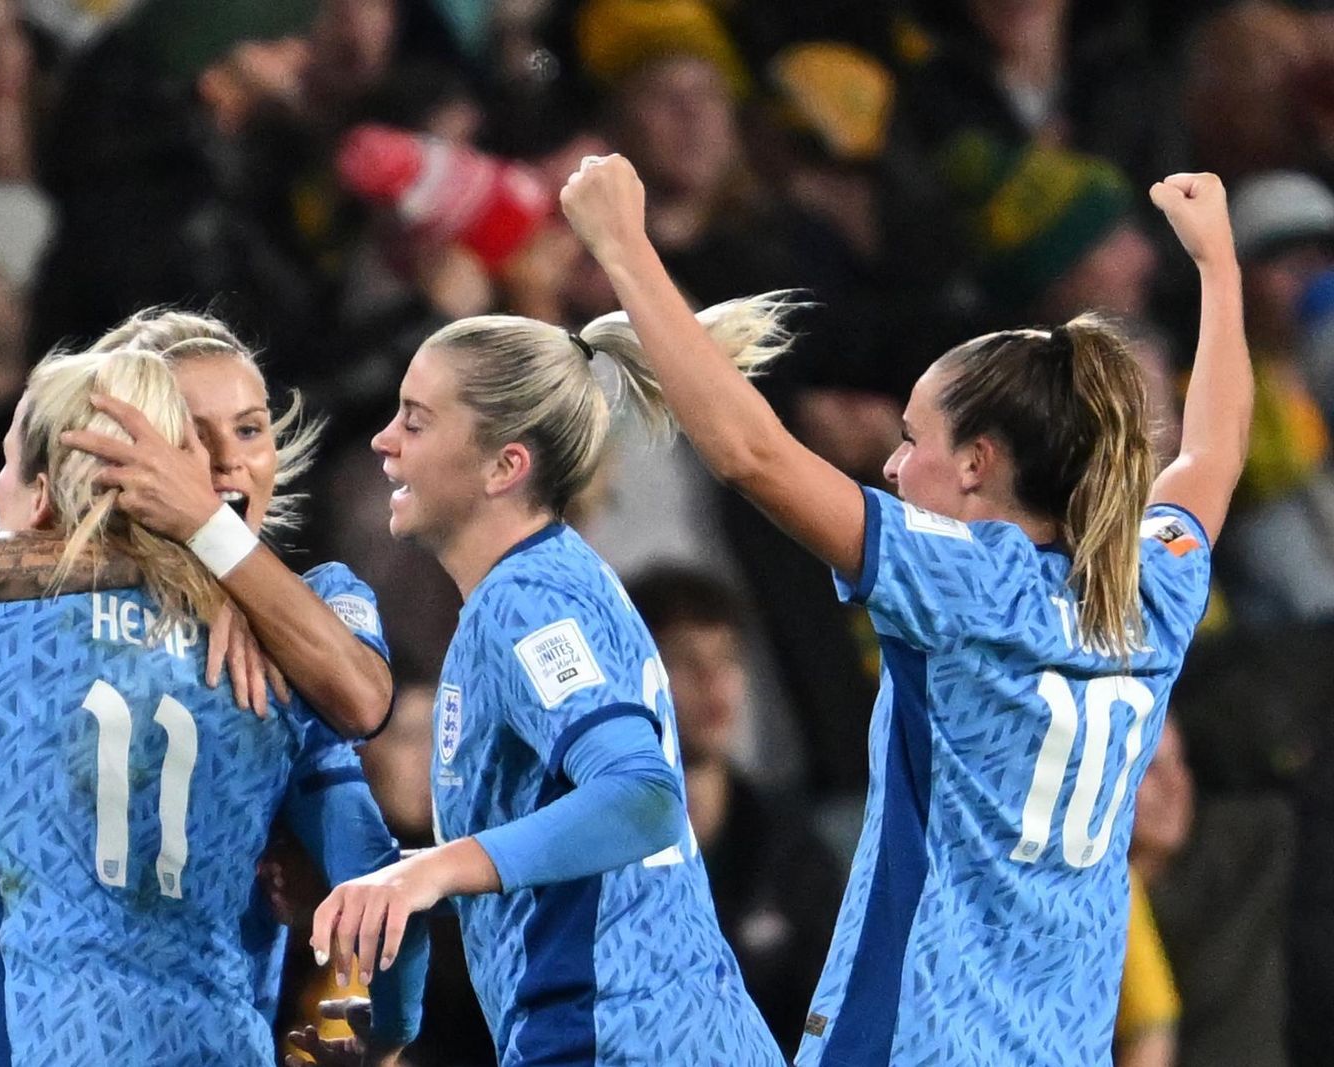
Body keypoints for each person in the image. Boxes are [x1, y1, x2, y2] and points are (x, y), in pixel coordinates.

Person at [560, 155, 1250, 1065]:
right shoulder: (1148, 584)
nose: (890, 464)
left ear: (976, 463)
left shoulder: (958, 580)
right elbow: (1213, 452)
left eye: (914, 438)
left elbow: (751, 453)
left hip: (915, 1036)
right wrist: (1219, 266)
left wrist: (623, 245)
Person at [0, 342, 425, 1064]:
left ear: (44, 489)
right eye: (193, 437)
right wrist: (387, 1028)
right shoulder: (287, 666)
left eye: (250, 429)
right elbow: (379, 883)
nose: (223, 464)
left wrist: (22, 886)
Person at [294, 298, 791, 1064]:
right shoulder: (522, 596)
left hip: (623, 1041)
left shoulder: (531, 601)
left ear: (505, 465)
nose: (384, 442)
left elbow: (643, 795)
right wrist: (387, 1026)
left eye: (417, 421)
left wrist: (430, 869)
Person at [0, 309, 393, 738]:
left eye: (249, 430)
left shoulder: (327, 594)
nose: (230, 459)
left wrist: (210, 539)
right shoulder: (72, 606)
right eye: (190, 436)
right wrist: (196, 578)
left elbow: (365, 704)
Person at [626, 564, 846, 1052]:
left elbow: (833, 1004)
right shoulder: (594, 849)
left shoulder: (791, 848)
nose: (713, 682)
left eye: (727, 658)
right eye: (685, 661)